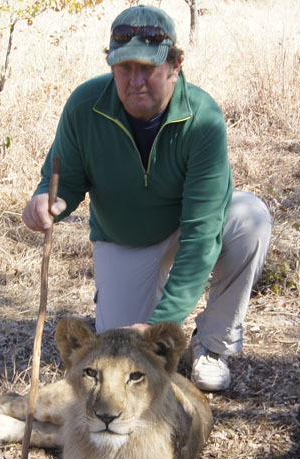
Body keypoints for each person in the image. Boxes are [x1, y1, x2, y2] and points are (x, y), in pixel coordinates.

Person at [21, 5, 272, 392]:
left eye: (148, 68)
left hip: (186, 226)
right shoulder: (84, 105)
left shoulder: (203, 119)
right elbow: (64, 180)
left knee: (249, 217)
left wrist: (163, 321)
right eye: (124, 68)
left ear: (176, 65)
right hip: (125, 238)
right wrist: (47, 201)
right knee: (120, 349)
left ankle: (212, 345)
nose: (135, 81)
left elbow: (203, 232)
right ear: (111, 66)